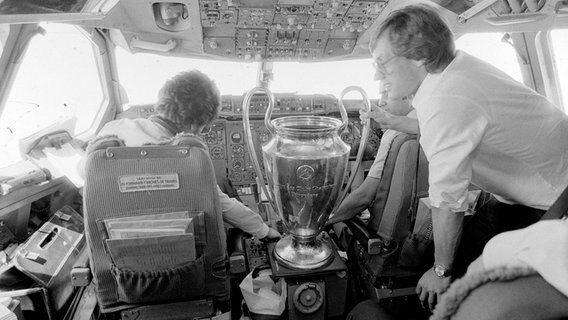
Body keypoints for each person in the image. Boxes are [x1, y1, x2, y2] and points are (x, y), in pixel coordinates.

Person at [368, 3, 568, 312]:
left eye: (382, 62)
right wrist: (398, 122)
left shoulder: (444, 99)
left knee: (462, 284)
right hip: (526, 193)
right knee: (467, 250)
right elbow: (460, 128)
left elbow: (448, 199)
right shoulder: (453, 73)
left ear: (420, 56)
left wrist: (440, 271)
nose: (377, 73)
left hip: (554, 200)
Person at [84, 70, 280, 240]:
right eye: (204, 128)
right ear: (196, 125)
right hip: (186, 260)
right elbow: (223, 206)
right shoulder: (187, 159)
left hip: (119, 261)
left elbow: (84, 174)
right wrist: (264, 231)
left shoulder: (110, 134)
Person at [326, 92, 417, 226]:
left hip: (380, 227)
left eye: (387, 93)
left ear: (410, 95)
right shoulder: (429, 127)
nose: (381, 102)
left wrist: (322, 221)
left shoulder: (393, 135)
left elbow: (364, 197)